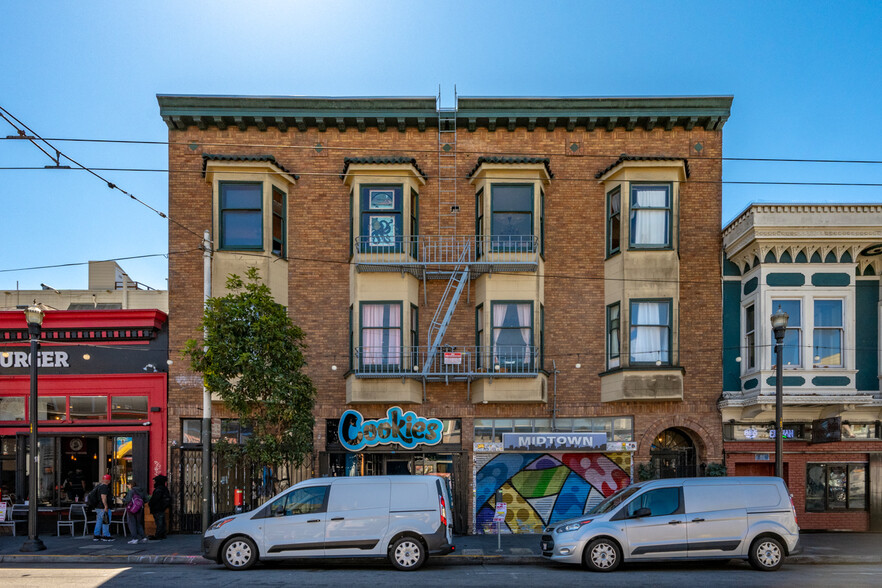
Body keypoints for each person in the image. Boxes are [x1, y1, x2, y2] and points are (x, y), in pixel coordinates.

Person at [123, 479, 148, 544]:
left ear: (131, 485)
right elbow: (146, 499)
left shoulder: (131, 491)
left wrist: (124, 500)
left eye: (128, 485)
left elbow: (127, 500)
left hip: (131, 509)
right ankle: (143, 537)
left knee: (132, 523)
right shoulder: (141, 491)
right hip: (140, 508)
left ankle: (134, 538)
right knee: (138, 523)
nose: (127, 486)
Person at [148, 474, 171, 540]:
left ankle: (159, 535)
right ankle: (162, 534)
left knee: (159, 522)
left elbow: (155, 499)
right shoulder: (164, 489)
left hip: (158, 508)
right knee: (161, 521)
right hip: (161, 508)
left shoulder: (159, 490)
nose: (154, 483)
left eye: (155, 481)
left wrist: (151, 504)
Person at [93, 474, 114, 542]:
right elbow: (103, 497)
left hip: (98, 507)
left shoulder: (99, 486)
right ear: (109, 481)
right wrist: (106, 506)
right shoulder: (104, 487)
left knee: (99, 521)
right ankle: (106, 536)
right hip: (103, 507)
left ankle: (96, 535)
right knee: (106, 521)